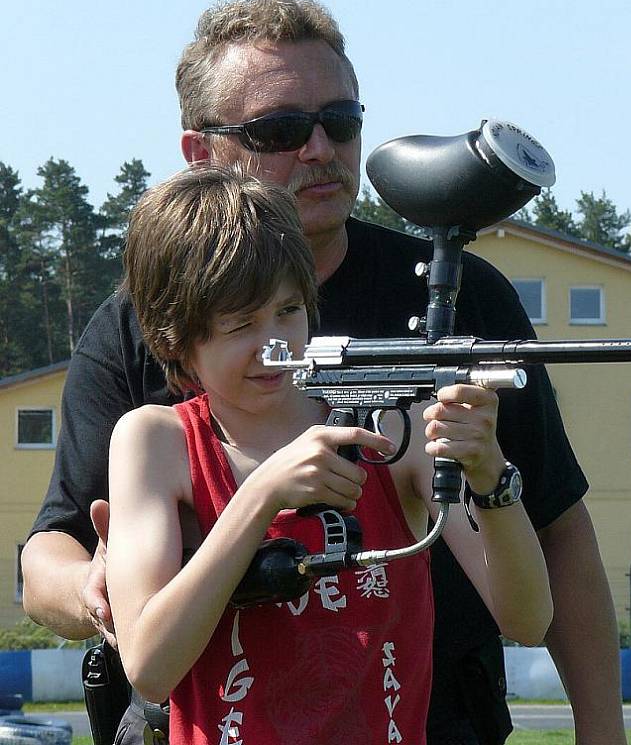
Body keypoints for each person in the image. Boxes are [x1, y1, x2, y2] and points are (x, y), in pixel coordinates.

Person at [22, 0, 627, 744]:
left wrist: (487, 474)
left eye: (340, 122)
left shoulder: (458, 304)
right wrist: (103, 589)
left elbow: (552, 543)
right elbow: (54, 556)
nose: (319, 149)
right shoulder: (138, 341)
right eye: (280, 128)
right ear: (201, 152)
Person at [105, 162, 551, 744]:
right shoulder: (155, 440)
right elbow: (150, 666)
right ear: (177, 340)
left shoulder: (394, 426)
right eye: (241, 324)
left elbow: (529, 619)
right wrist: (263, 494)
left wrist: (491, 477)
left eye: (289, 311)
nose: (275, 343)